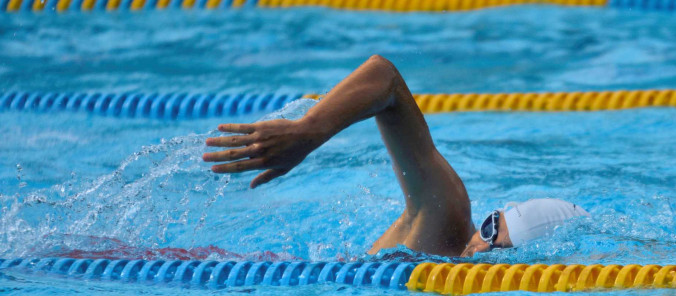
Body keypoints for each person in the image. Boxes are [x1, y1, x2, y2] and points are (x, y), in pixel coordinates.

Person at [203, 55, 588, 258]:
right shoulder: (448, 223)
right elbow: (384, 77)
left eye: (497, 243)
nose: (479, 241)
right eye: (490, 224)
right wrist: (307, 132)